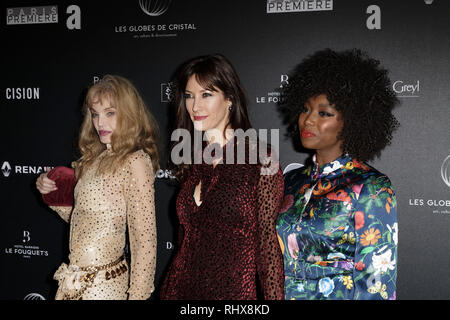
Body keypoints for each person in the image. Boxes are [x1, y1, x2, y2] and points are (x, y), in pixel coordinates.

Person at [276, 49, 399, 300]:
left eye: (324, 113)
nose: (307, 120)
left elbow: (376, 286)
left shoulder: (371, 187)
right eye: (305, 109)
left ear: (352, 120)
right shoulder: (290, 181)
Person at [160, 54, 284, 300]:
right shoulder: (194, 161)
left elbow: (267, 248)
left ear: (229, 99)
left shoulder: (260, 160)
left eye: (206, 95)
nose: (195, 106)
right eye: (189, 96)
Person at [36, 75, 159, 300]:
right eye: (95, 114)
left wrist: (138, 297)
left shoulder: (135, 161)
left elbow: (144, 241)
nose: (100, 123)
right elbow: (87, 220)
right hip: (74, 283)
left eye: (110, 113)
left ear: (129, 113)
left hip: (107, 287)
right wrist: (51, 192)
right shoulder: (93, 159)